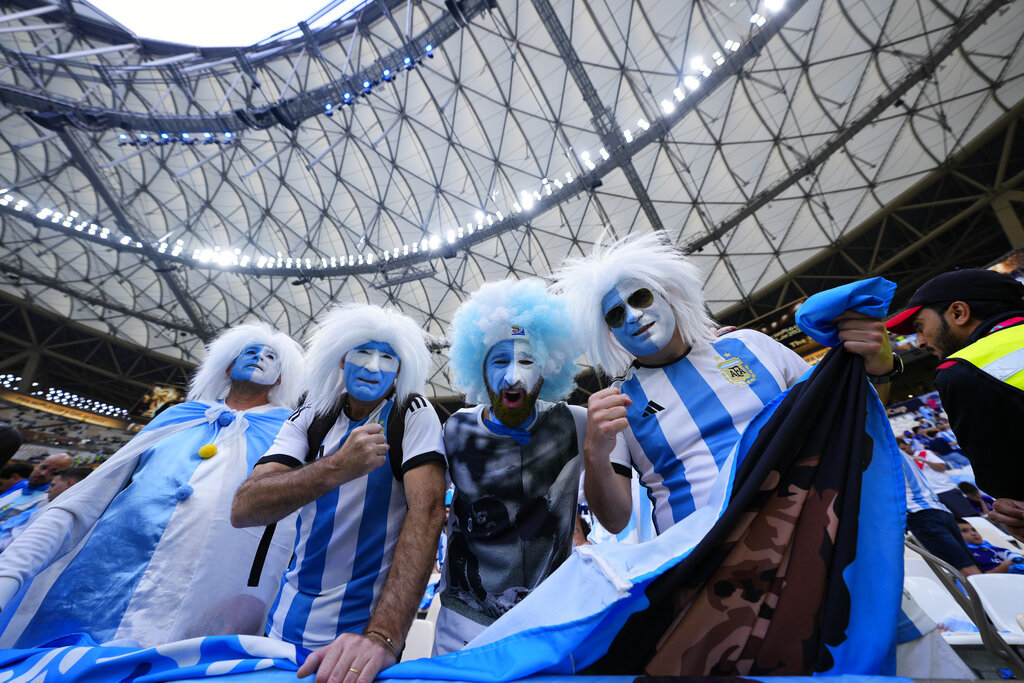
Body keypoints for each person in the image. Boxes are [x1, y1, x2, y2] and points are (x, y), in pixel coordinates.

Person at [553, 232, 894, 534]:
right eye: (615, 315)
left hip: (816, 531)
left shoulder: (751, 345)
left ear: (670, 295)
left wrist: (878, 367)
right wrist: (594, 454)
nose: (632, 316)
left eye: (640, 298)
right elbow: (614, 521)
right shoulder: (617, 407)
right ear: (609, 333)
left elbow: (852, 418)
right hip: (707, 573)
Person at [0, 322, 303, 648]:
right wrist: (11, 570)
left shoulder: (292, 431)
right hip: (103, 584)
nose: (259, 358)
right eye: (250, 351)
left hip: (211, 598)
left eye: (271, 356)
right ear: (228, 364)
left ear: (281, 377)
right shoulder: (179, 415)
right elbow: (90, 495)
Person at [231, 304, 446, 683]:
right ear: (342, 358)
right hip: (280, 627)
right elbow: (246, 507)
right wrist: (336, 466)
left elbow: (427, 513)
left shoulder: (412, 412)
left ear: (400, 370)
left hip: (359, 643)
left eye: (388, 357)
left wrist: (383, 638)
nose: (374, 366)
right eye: (363, 352)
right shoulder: (313, 413)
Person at [433, 278, 585, 654]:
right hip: (464, 620)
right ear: (479, 369)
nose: (513, 376)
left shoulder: (577, 424)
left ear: (550, 366)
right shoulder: (456, 429)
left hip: (549, 618)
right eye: (500, 360)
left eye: (527, 360)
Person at [887, 269, 1024, 540]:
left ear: (959, 313)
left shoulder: (963, 370)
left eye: (919, 326)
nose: (920, 342)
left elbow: (1005, 486)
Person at [897, 439, 979, 576]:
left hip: (919, 513)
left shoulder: (882, 454)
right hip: (937, 508)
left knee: (963, 569)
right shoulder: (900, 454)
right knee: (967, 562)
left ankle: (985, 596)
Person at [0, 467, 91, 552]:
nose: (47, 490)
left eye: (52, 485)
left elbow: (14, 547)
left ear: (69, 484)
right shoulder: (44, 510)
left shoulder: (56, 518)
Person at [899, 441, 976, 518]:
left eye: (904, 448)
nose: (904, 451)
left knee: (969, 516)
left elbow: (942, 468)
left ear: (908, 445)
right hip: (928, 498)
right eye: (901, 450)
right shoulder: (902, 464)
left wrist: (922, 460)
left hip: (946, 489)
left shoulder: (925, 453)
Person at [0, 453, 72, 522]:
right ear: (37, 466)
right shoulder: (23, 484)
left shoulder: (48, 499)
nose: (42, 473)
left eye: (53, 472)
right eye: (43, 467)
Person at [957, 520, 1024, 574]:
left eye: (974, 530)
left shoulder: (991, 548)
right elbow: (973, 578)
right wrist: (1000, 570)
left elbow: (1009, 554)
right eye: (965, 531)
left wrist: (1017, 559)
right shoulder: (964, 553)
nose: (973, 533)